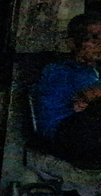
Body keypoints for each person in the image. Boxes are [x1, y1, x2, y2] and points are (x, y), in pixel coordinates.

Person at [35, 13, 101, 169]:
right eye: (94, 39)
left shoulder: (96, 71)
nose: (100, 45)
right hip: (65, 135)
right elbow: (90, 94)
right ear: (72, 43)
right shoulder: (59, 70)